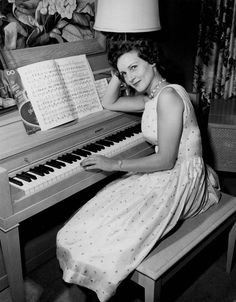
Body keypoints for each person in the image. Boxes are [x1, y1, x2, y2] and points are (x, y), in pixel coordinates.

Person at [56, 34, 220, 302]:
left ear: (152, 60)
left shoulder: (167, 97)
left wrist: (115, 164)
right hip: (167, 172)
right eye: (124, 73)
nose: (130, 78)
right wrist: (119, 73)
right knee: (95, 220)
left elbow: (166, 160)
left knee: (112, 236)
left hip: (182, 178)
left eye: (134, 67)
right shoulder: (152, 97)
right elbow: (109, 102)